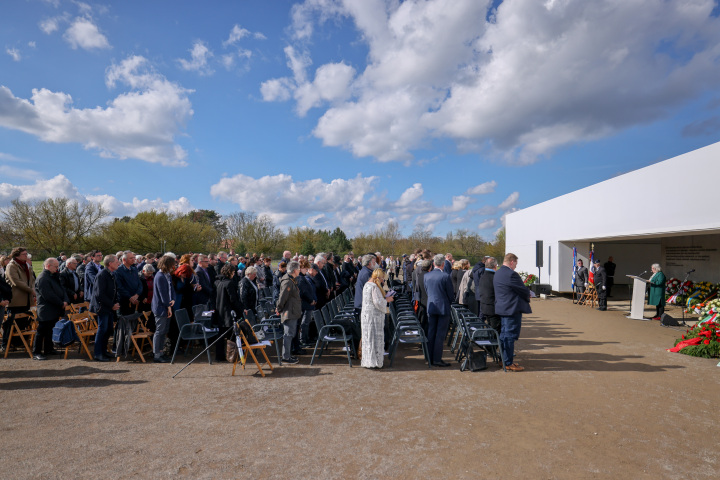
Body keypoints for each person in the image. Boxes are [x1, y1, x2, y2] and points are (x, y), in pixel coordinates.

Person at [494, 253, 531, 372]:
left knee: (504, 335)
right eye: (516, 264)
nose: (516, 266)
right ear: (511, 262)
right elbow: (523, 290)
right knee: (509, 335)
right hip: (511, 308)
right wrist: (528, 294)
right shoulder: (511, 274)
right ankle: (508, 362)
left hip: (503, 308)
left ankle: (503, 359)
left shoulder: (498, 273)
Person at [32, 258, 69, 360]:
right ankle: (36, 352)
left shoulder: (53, 276)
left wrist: (65, 300)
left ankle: (49, 349)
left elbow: (62, 289)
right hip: (46, 309)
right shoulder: (43, 278)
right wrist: (61, 303)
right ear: (48, 266)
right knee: (41, 331)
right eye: (56, 266)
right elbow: (48, 295)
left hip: (54, 308)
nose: (58, 269)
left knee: (50, 330)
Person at [2, 247, 36, 353]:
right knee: (12, 323)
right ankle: (6, 344)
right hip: (15, 299)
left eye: (26, 254)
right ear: (17, 255)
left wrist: (33, 290)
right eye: (24, 254)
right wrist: (31, 290)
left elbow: (32, 279)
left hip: (26, 298)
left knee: (23, 322)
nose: (26, 256)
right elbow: (16, 281)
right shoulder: (11, 266)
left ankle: (18, 343)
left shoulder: (26, 265)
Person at [423, 254, 455, 367]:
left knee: (431, 332)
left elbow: (427, 291)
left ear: (433, 264)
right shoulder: (445, 276)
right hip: (443, 307)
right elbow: (451, 294)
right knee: (440, 334)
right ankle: (436, 359)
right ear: (442, 264)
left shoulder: (427, 276)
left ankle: (429, 357)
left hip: (431, 306)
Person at [89, 255, 120, 362]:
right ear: (110, 263)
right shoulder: (102, 275)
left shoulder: (111, 274)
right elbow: (99, 294)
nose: (118, 264)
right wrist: (112, 305)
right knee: (102, 330)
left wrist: (115, 303)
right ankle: (98, 353)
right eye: (116, 262)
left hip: (109, 307)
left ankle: (104, 351)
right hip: (102, 307)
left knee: (108, 330)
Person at [361, 268, 393, 369]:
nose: (383, 281)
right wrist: (387, 300)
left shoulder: (367, 284)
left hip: (367, 315)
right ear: (378, 278)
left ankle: (368, 360)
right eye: (383, 279)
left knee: (368, 338)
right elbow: (378, 302)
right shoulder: (374, 286)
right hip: (373, 317)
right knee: (374, 338)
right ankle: (375, 361)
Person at [214, 263, 244, 362]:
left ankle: (220, 356)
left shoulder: (218, 282)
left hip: (220, 312)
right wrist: (240, 310)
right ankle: (234, 356)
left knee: (221, 335)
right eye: (233, 272)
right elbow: (233, 300)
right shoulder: (229, 283)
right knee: (232, 335)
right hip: (228, 313)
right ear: (230, 272)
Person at [276, 261, 302, 364]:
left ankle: (287, 355)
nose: (299, 271)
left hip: (292, 310)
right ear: (295, 270)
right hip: (289, 311)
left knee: (290, 333)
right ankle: (286, 357)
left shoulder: (291, 280)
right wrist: (279, 308)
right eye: (299, 269)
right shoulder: (287, 281)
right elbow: (282, 297)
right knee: (288, 334)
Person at [151, 255, 175, 363]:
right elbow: (162, 294)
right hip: (161, 307)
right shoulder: (160, 276)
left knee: (164, 330)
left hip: (167, 306)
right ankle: (157, 354)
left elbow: (171, 289)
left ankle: (161, 351)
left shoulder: (167, 275)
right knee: (159, 331)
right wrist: (168, 306)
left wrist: (173, 300)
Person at [115, 251, 143, 316]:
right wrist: (130, 297)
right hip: (124, 301)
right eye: (131, 258)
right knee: (123, 322)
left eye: (134, 257)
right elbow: (119, 286)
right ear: (124, 259)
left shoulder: (134, 269)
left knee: (132, 321)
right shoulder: (118, 271)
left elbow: (139, 283)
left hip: (134, 300)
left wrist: (137, 295)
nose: (133, 259)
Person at [478, 257, 501, 335]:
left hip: (484, 306)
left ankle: (490, 345)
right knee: (495, 330)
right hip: (493, 308)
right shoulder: (495, 277)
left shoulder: (483, 275)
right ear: (495, 266)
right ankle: (491, 347)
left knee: (490, 328)